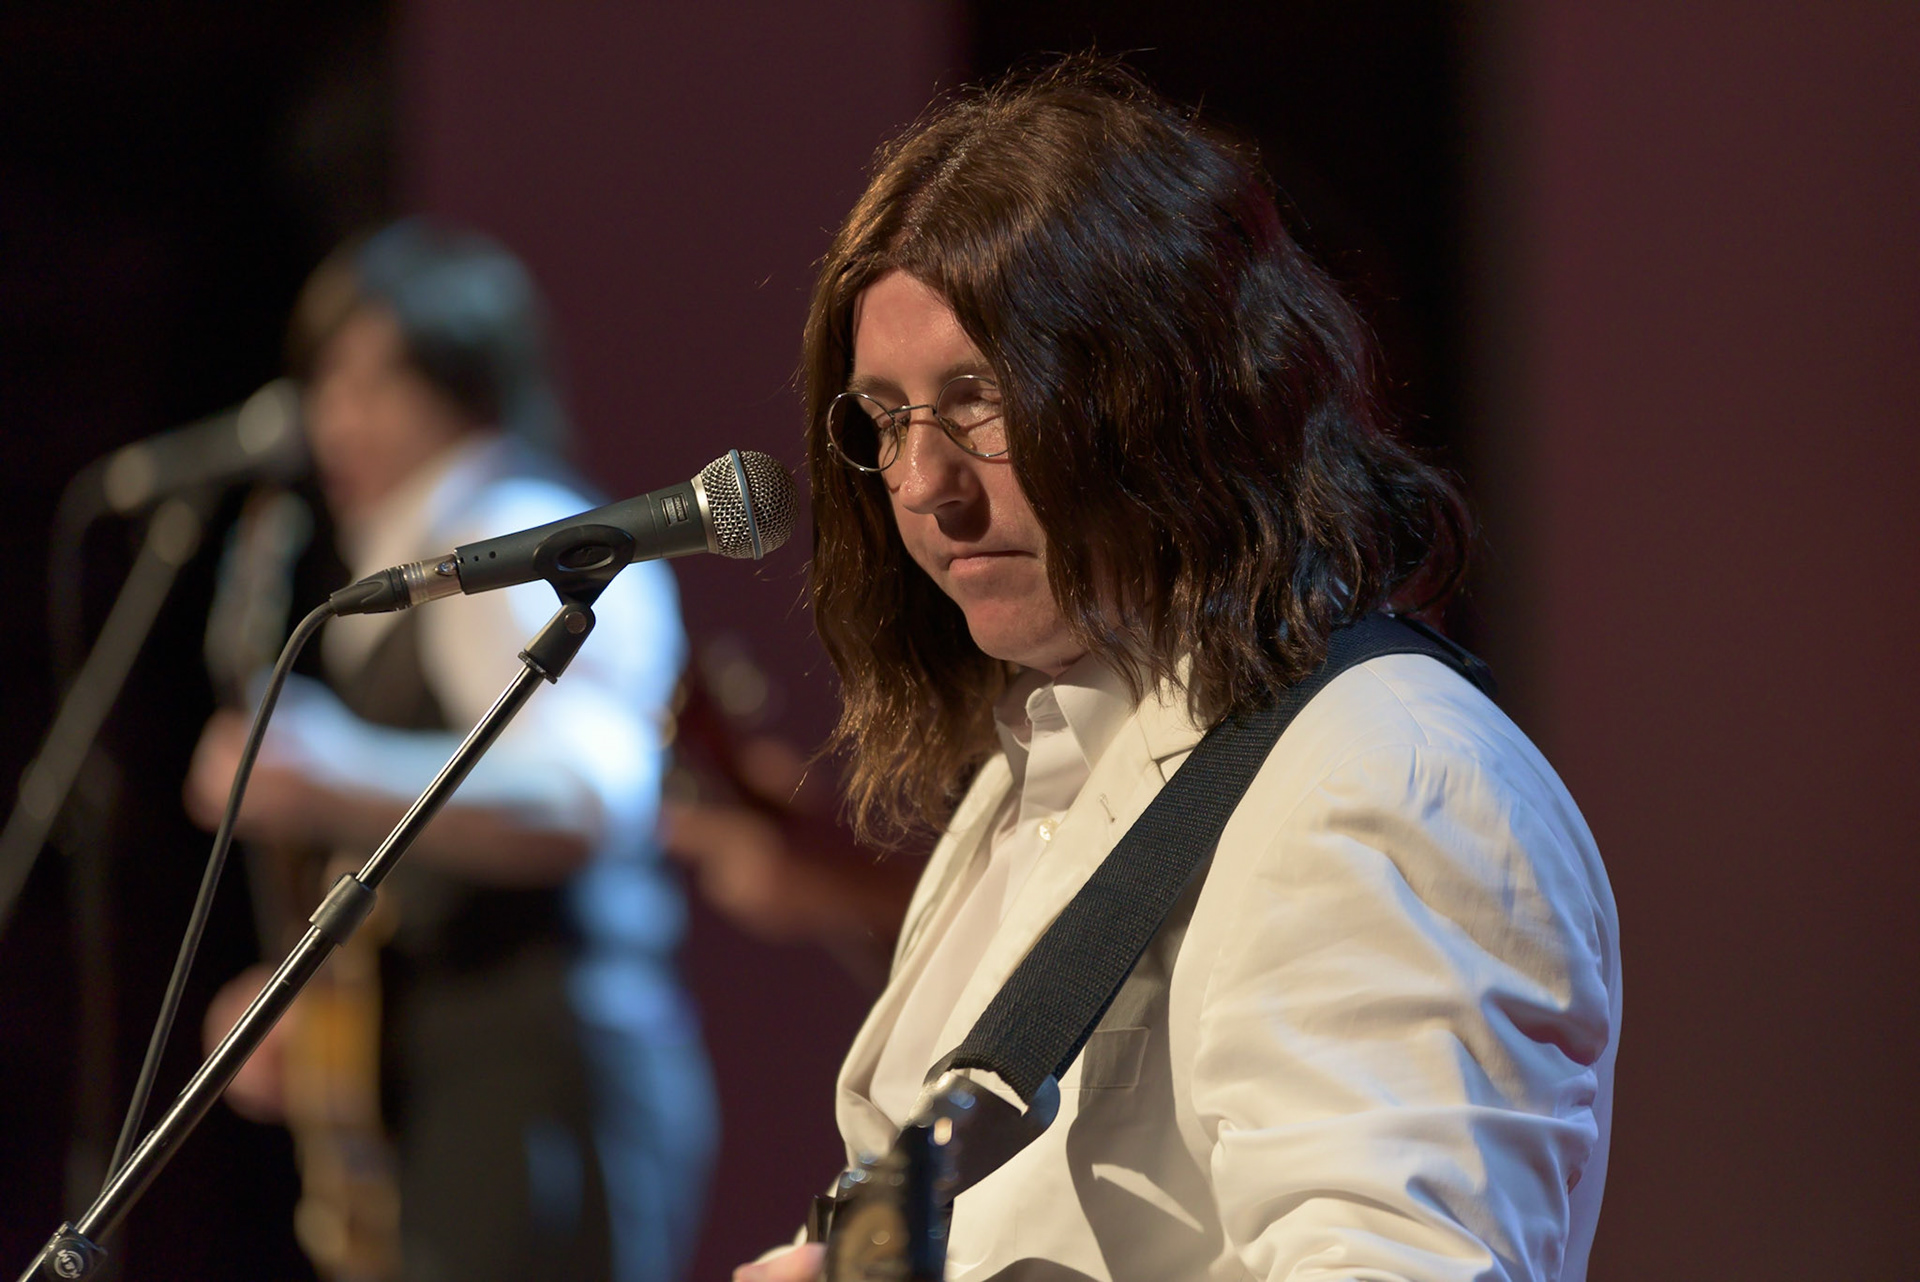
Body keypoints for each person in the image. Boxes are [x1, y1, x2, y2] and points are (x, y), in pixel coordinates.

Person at [739, 58, 1618, 1282]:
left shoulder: (1391, 779)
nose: (925, 486)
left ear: (1168, 391)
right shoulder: (1043, 760)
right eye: (887, 418)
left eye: (980, 398)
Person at [187, 220, 715, 1282]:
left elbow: (587, 797)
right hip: (460, 1094)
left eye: (373, 382)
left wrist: (329, 772)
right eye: (325, 382)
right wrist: (319, 1003)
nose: (333, 420)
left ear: (468, 384)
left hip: (541, 1088)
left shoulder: (512, 528)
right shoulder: (419, 560)